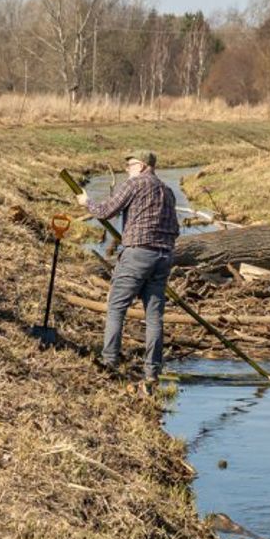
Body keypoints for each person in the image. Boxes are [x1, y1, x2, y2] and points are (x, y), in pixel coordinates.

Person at [84, 150, 180, 387]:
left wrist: (86, 202)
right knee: (154, 316)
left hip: (138, 253)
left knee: (116, 306)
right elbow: (175, 228)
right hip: (164, 256)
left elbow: (105, 211)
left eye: (130, 164)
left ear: (143, 165)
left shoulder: (135, 184)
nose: (127, 169)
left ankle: (109, 361)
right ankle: (152, 372)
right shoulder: (167, 191)